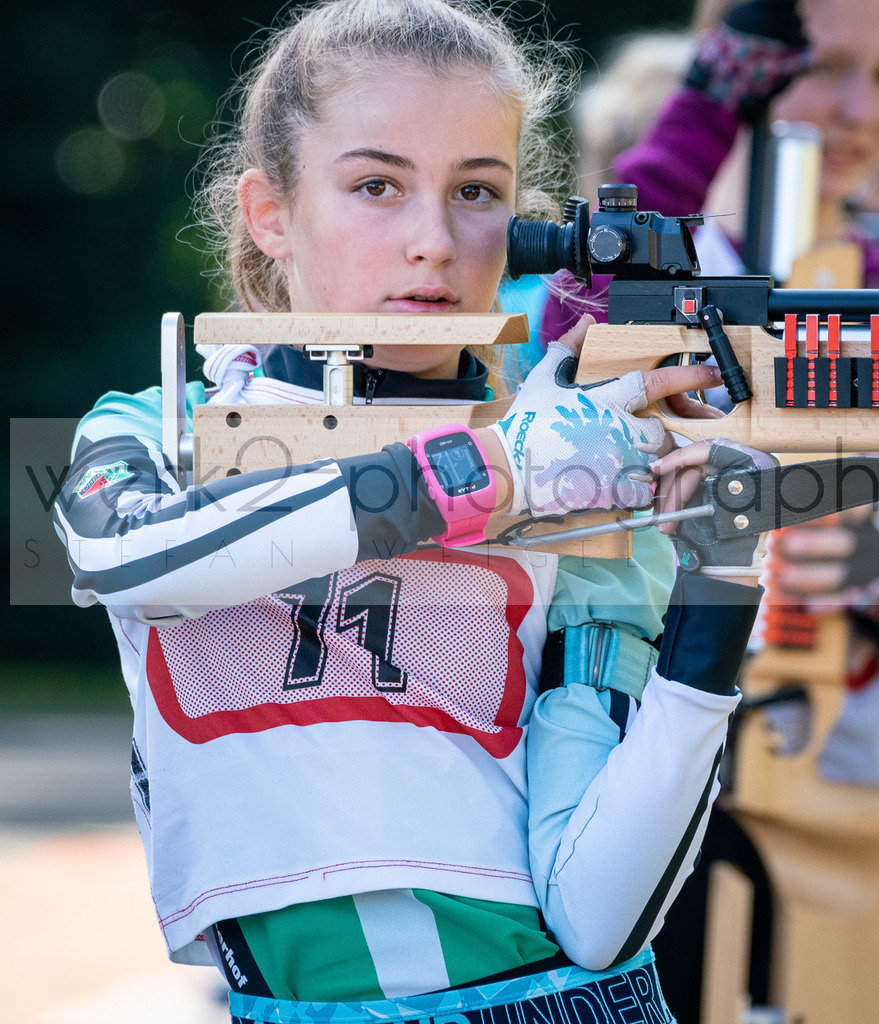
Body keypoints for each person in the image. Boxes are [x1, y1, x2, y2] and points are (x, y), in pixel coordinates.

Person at [52, 2, 769, 1022]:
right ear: (268, 212)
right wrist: (494, 472)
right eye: (377, 186)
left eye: (477, 191)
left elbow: (602, 918)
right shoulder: (157, 426)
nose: (433, 242)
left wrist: (720, 575)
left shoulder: (569, 450)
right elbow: (125, 556)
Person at [542, 0, 879, 1018]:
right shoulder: (676, 277)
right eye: (824, 67)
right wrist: (707, 104)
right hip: (636, 790)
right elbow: (568, 340)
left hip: (854, 825)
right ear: (743, 63)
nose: (858, 111)